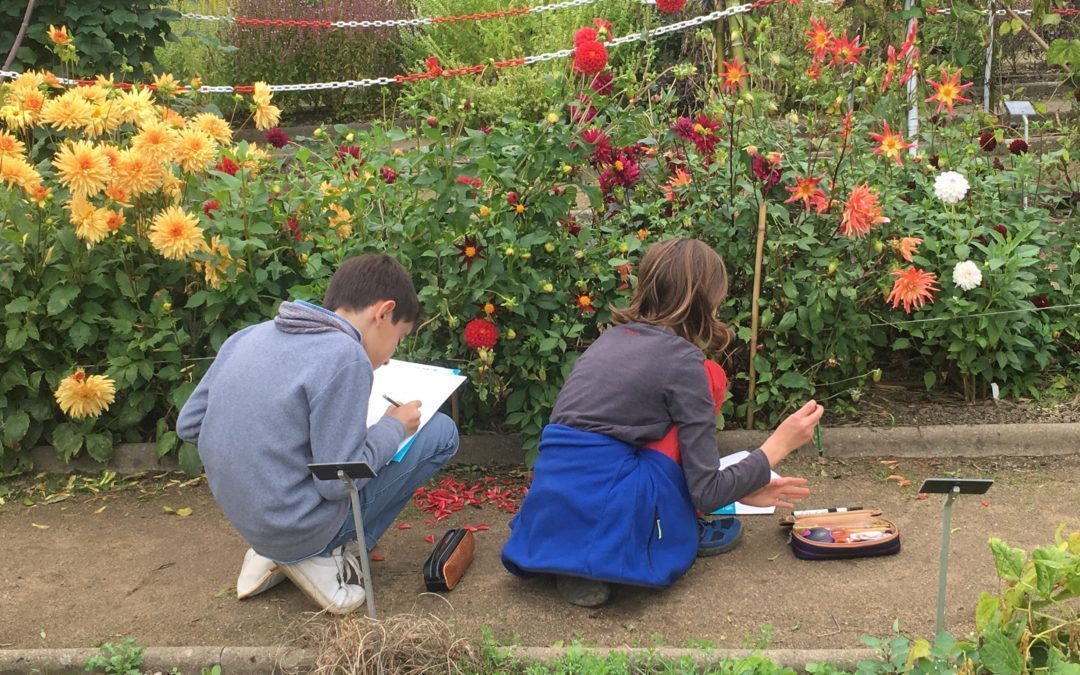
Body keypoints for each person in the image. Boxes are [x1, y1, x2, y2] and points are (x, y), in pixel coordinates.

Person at [500, 237, 821, 607]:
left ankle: (572, 554)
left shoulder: (609, 339)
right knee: (712, 375)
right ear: (706, 300)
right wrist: (776, 446)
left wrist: (739, 485)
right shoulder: (684, 363)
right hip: (612, 494)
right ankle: (620, 550)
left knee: (655, 424)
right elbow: (707, 490)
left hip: (554, 500)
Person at [178, 254, 459, 614]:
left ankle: (275, 552)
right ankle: (321, 554)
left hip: (250, 520)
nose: (390, 358)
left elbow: (189, 425)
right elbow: (338, 480)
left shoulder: (248, 336)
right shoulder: (346, 356)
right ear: (384, 312)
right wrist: (392, 426)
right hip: (298, 525)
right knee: (441, 431)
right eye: (399, 337)